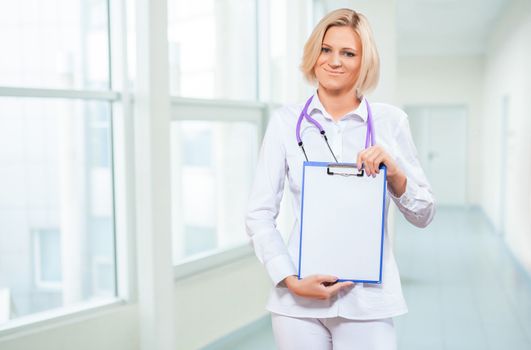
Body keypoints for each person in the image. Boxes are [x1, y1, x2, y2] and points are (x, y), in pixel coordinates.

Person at [245, 8, 435, 350]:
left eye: (348, 53)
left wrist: (395, 174)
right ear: (313, 54)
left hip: (368, 303)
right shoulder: (285, 123)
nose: (334, 61)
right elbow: (259, 213)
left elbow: (423, 214)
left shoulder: (390, 122)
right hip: (298, 304)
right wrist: (289, 280)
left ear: (364, 62)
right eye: (326, 49)